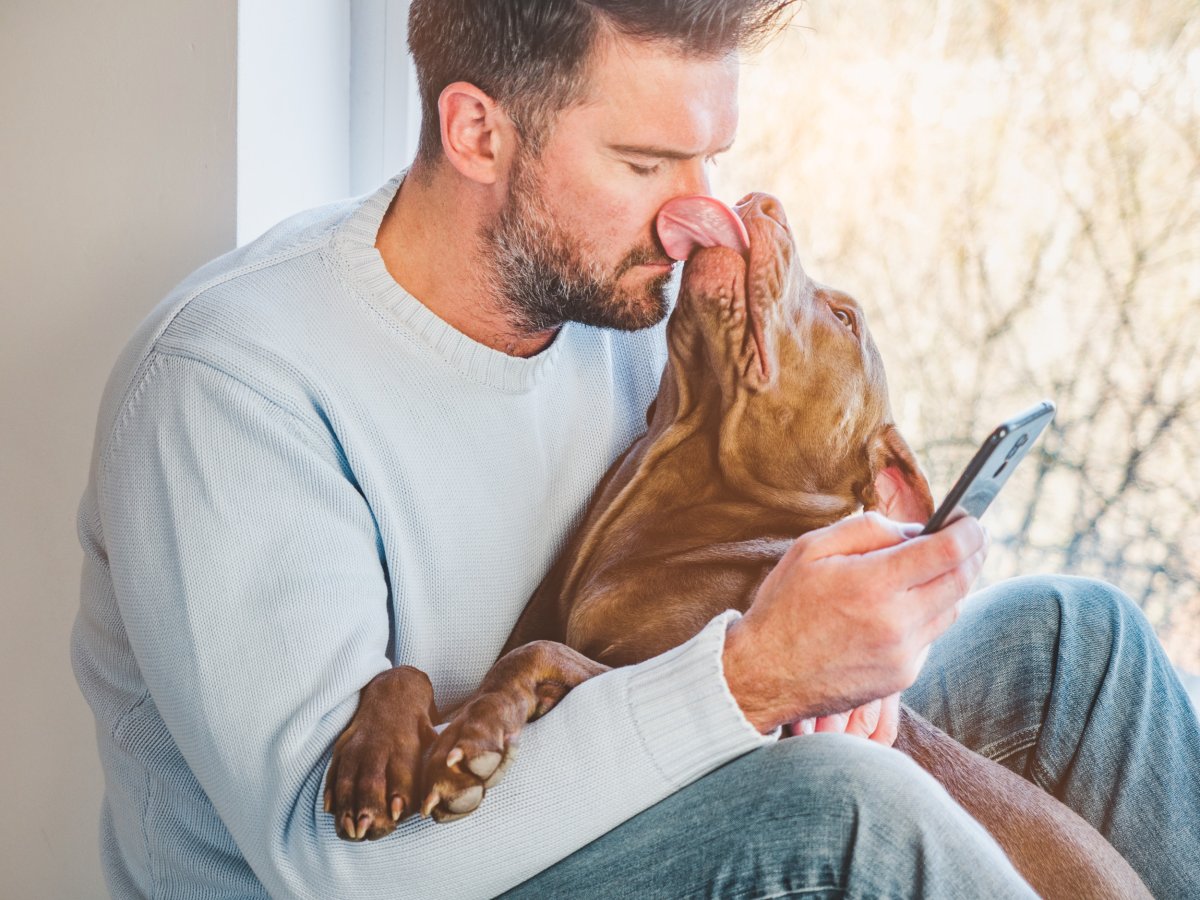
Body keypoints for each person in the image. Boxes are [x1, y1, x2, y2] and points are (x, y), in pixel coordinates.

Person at [71, 1, 1199, 897]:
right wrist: (757, 678)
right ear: (476, 131)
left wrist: (857, 654)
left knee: (1073, 643)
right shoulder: (232, 388)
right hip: (430, 882)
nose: (690, 214)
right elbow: (337, 867)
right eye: (645, 163)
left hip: (615, 778)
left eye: (708, 159)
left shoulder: (621, 310)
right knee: (846, 806)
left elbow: (728, 540)